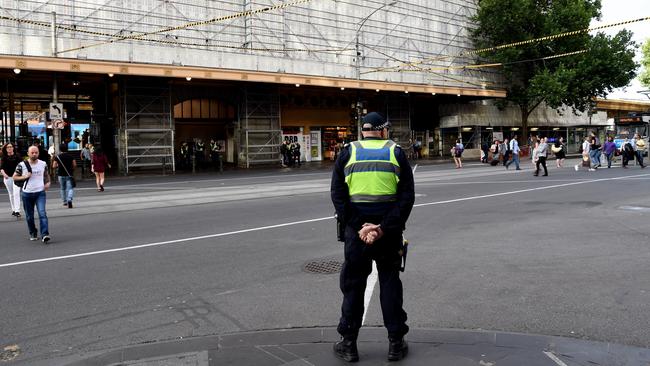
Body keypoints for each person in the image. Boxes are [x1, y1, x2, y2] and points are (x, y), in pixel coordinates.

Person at [330, 112, 414, 362]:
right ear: (383, 131)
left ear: (363, 130)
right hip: (388, 234)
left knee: (353, 286)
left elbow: (338, 196)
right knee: (389, 284)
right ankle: (395, 344)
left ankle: (348, 344)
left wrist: (359, 227)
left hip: (357, 236)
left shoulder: (348, 152)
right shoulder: (395, 152)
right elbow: (406, 197)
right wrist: (381, 228)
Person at [13, 146, 51, 243]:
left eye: (36, 152)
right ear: (28, 154)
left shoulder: (43, 164)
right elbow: (15, 177)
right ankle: (33, 232)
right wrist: (24, 176)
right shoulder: (22, 165)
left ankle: (45, 234)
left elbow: (46, 175)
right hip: (27, 193)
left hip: (40, 193)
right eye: (32, 152)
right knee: (29, 216)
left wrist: (47, 183)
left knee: (42, 214)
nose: (34, 154)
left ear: (38, 153)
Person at [1, 142, 22, 217]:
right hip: (7, 178)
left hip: (16, 177)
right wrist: (4, 174)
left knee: (16, 193)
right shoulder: (4, 157)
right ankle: (13, 209)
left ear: (13, 148)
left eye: (11, 147)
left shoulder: (18, 156)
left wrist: (16, 174)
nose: (9, 148)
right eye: (8, 147)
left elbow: (21, 166)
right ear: (5, 149)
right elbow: (1, 168)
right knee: (11, 194)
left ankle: (17, 211)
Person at [52, 143, 77, 208]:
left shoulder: (57, 157)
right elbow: (74, 165)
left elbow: (54, 166)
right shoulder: (71, 156)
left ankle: (64, 202)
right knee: (70, 188)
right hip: (69, 174)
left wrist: (58, 165)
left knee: (62, 188)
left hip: (61, 174)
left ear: (60, 149)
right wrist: (72, 169)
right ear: (67, 148)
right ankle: (69, 199)